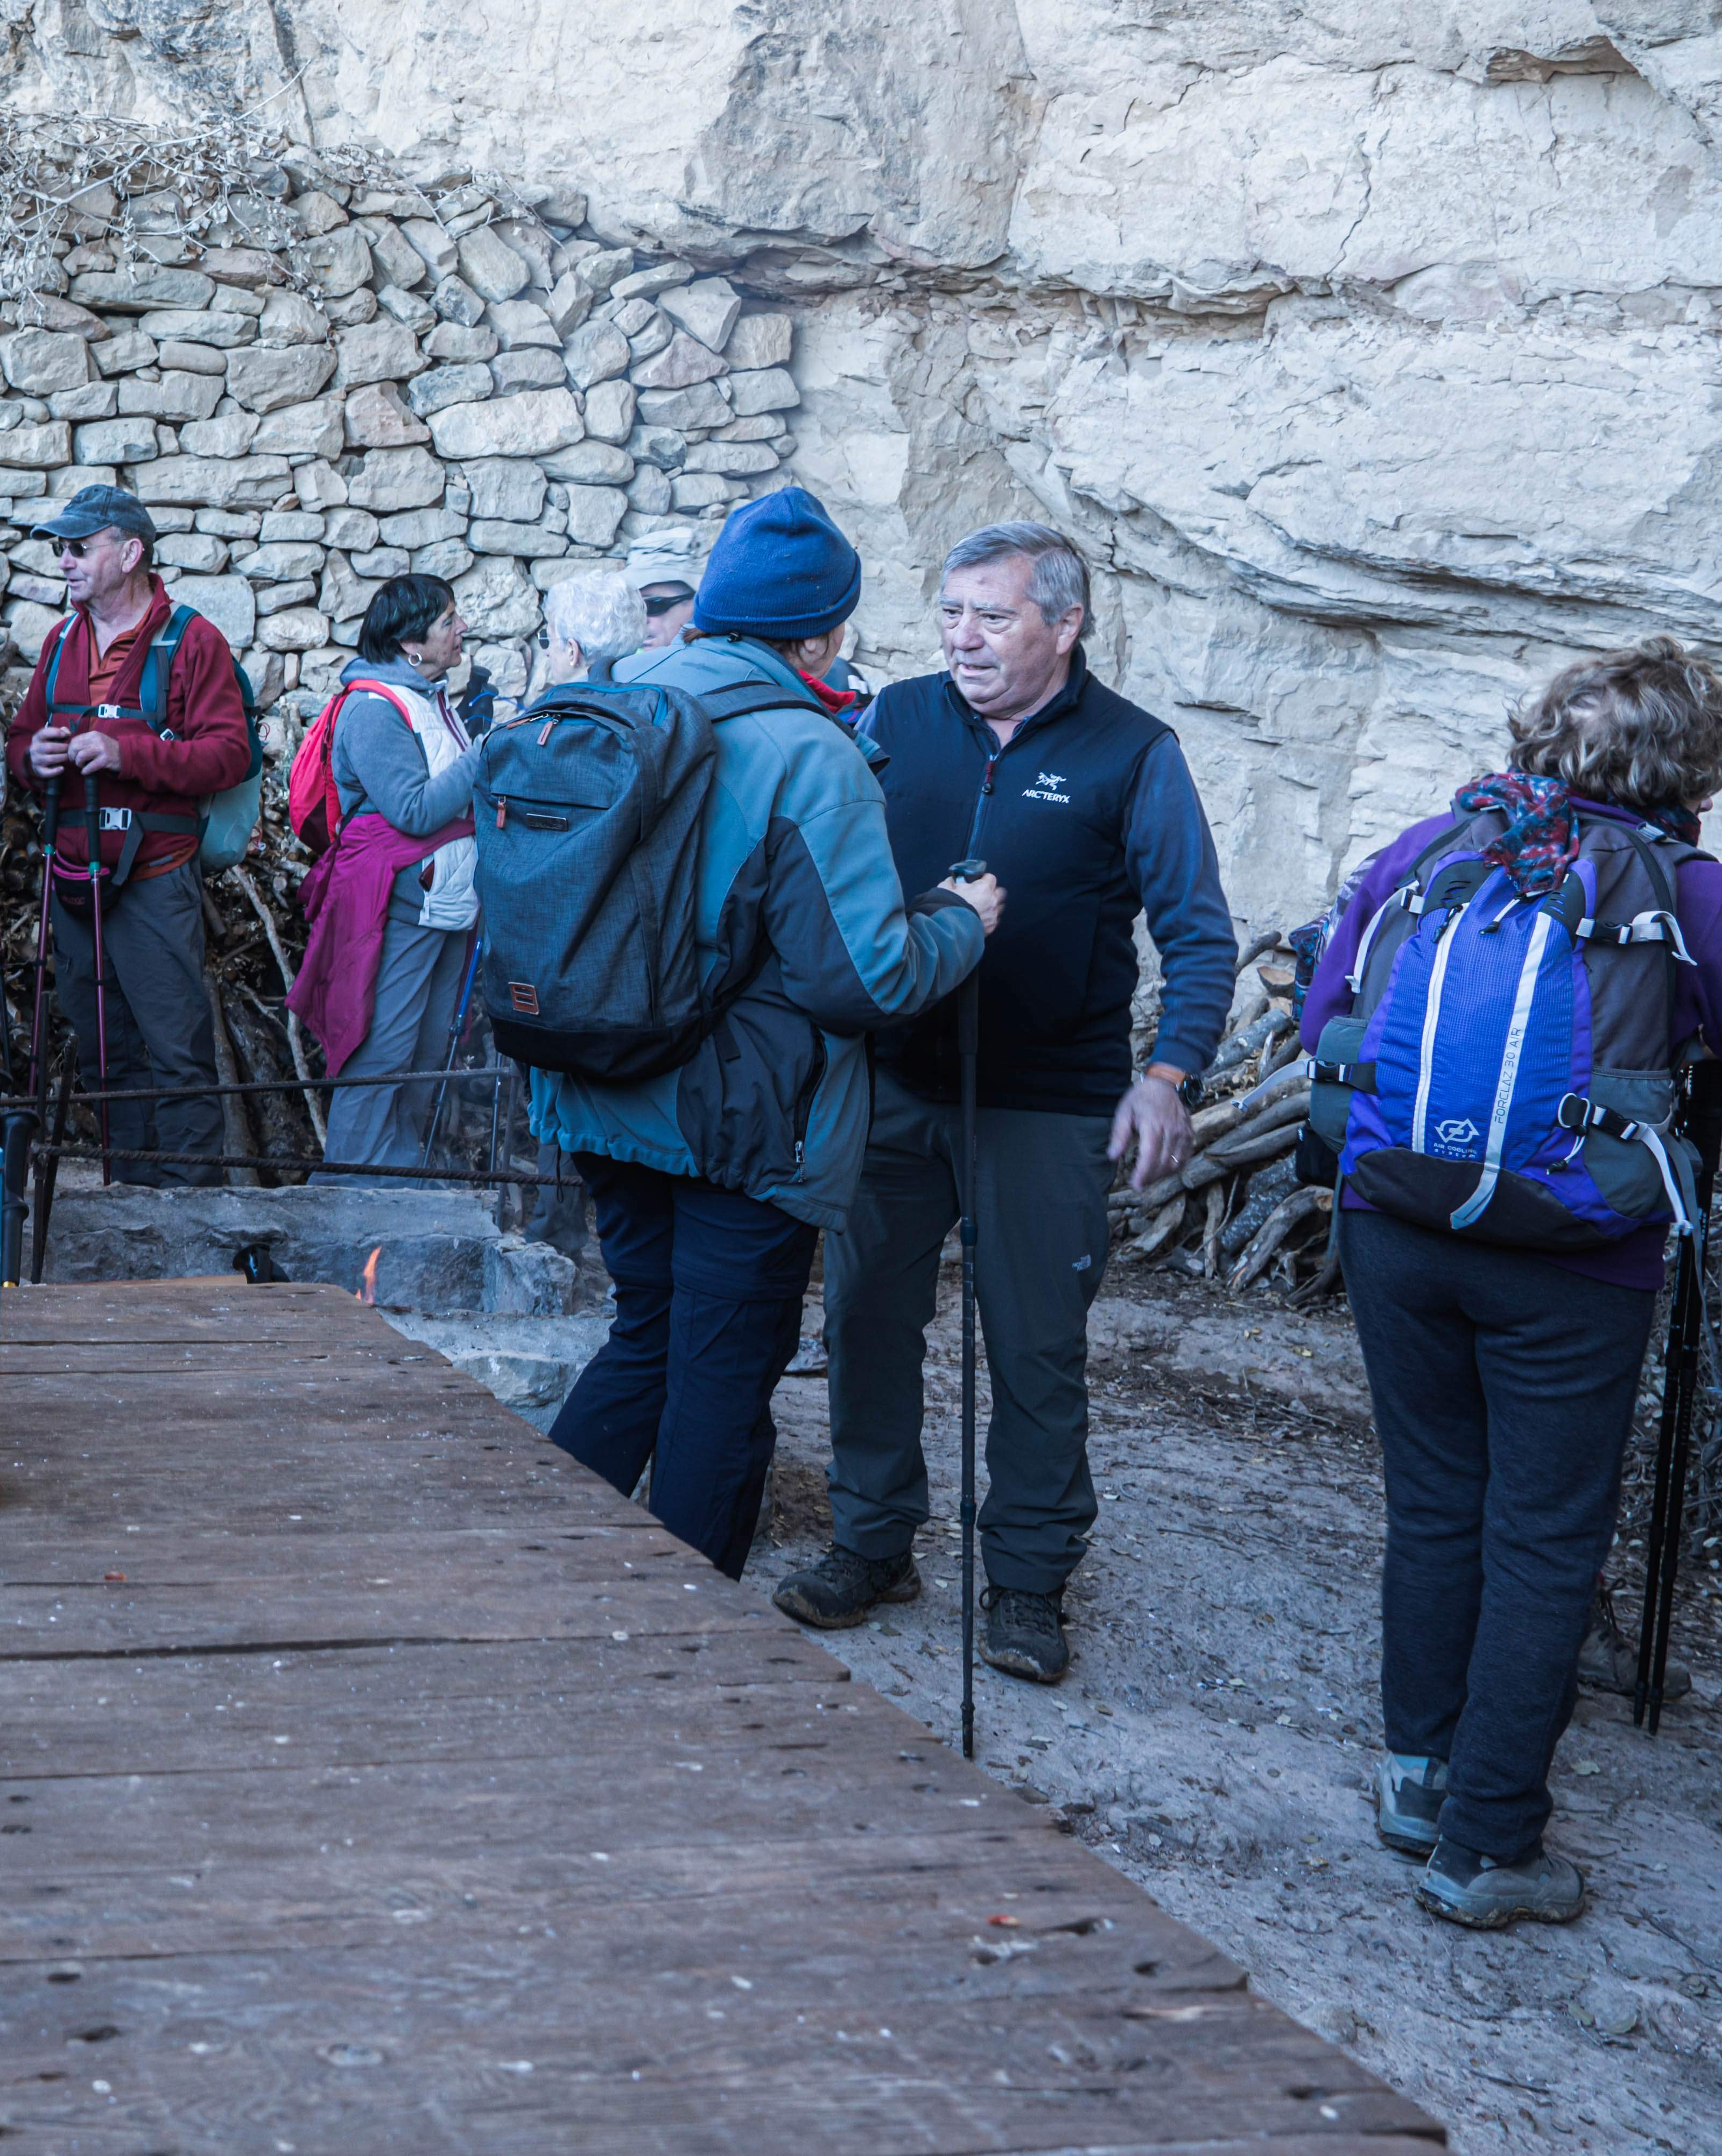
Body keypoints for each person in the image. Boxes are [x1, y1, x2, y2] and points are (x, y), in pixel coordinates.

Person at [1301, 641, 1722, 1931]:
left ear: (1541, 730)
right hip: (1579, 1256)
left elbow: (1330, 1008)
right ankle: (1490, 1844)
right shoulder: (1692, 892)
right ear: (1690, 761)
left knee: (1436, 1504)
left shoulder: (1432, 846)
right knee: (1543, 1535)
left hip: (1399, 1221)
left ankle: (1420, 1779)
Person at [781, 523, 1234, 1684]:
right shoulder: (892, 720)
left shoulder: (1134, 751)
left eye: (991, 615)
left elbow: (1196, 933)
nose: (961, 637)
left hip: (1047, 1101)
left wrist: (1167, 1074)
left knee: (1035, 1349)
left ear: (1064, 624)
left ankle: (1026, 1583)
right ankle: (872, 1544)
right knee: (867, 1326)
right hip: (892, 1083)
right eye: (950, 613)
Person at [532, 487, 998, 1580]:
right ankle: (688, 1658)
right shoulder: (808, 751)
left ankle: (534, 1570)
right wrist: (959, 924)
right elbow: (862, 980)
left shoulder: (608, 697)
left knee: (643, 1332)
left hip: (598, 1087)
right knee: (720, 1377)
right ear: (823, 631)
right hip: (744, 1123)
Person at [8, 484, 245, 1184]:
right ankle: (132, 1206)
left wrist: (125, 753)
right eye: (58, 548)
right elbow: (21, 739)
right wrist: (33, 759)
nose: (64, 562)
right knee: (103, 1052)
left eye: (78, 547)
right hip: (76, 881)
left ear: (131, 551)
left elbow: (229, 755)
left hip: (154, 877)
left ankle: (192, 1225)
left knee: (177, 1052)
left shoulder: (192, 641)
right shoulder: (61, 641)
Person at [296, 574, 486, 1175]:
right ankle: (351, 1186)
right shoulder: (373, 711)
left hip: (443, 904)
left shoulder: (431, 701)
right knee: (381, 1047)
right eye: (448, 621)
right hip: (398, 905)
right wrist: (486, 754)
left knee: (428, 1047)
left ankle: (400, 1176)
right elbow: (413, 810)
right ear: (410, 642)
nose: (462, 630)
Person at [540, 564, 648, 687]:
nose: (547, 652)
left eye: (548, 639)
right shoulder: (650, 695)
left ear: (572, 651)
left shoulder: (559, 705)